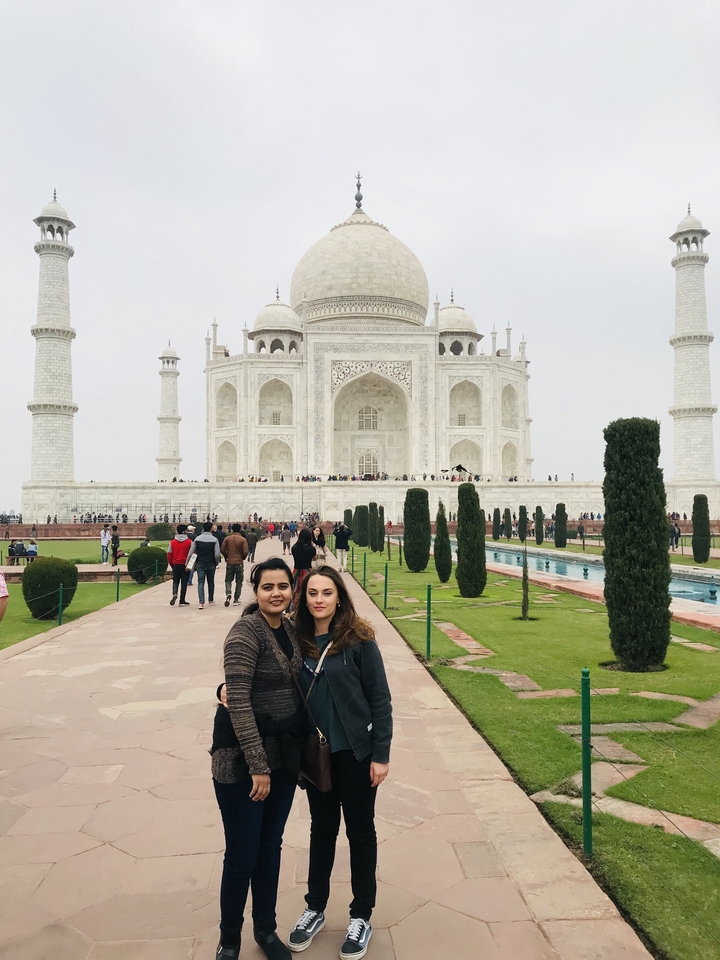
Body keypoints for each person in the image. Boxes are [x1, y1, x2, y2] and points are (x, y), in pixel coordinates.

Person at [288, 567, 392, 959]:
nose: (318, 599)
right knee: (322, 831)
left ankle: (361, 913)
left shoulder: (359, 641)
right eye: (312, 592)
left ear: (339, 598)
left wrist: (381, 755)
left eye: (326, 593)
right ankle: (315, 907)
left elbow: (380, 700)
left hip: (356, 753)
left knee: (361, 833)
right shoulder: (295, 641)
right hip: (318, 757)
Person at [212, 558, 304, 960]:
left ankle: (265, 929)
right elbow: (240, 703)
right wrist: (258, 766)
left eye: (283, 586)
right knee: (242, 855)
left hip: (281, 756)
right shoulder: (245, 634)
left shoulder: (287, 628)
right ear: (255, 591)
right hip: (241, 762)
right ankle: (229, 938)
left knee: (270, 848)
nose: (276, 593)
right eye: (268, 587)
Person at [188, 521, 221, 610]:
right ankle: (210, 600)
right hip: (210, 563)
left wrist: (187, 563)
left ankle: (201, 602)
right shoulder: (214, 540)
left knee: (200, 582)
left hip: (200, 562)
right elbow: (217, 554)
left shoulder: (197, 539)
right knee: (211, 581)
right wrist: (216, 562)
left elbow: (191, 553)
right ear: (211, 529)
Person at [222, 524, 249, 607]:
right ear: (240, 530)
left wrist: (226, 557)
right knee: (239, 581)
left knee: (228, 580)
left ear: (232, 530)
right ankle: (236, 598)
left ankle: (228, 593)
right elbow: (245, 552)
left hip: (230, 562)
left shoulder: (227, 539)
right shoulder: (242, 539)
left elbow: (222, 549)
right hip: (239, 562)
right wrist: (242, 558)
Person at [167, 524, 193, 606]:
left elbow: (169, 555)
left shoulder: (172, 542)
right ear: (184, 531)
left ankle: (175, 593)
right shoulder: (189, 542)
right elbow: (193, 554)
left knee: (175, 581)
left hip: (176, 564)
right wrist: (190, 566)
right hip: (185, 565)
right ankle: (182, 600)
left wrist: (172, 564)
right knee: (184, 583)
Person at [290, 528, 316, 607]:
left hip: (296, 570)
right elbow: (314, 558)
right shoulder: (311, 549)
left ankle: (294, 605)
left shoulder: (294, 548)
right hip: (307, 570)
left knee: (295, 589)